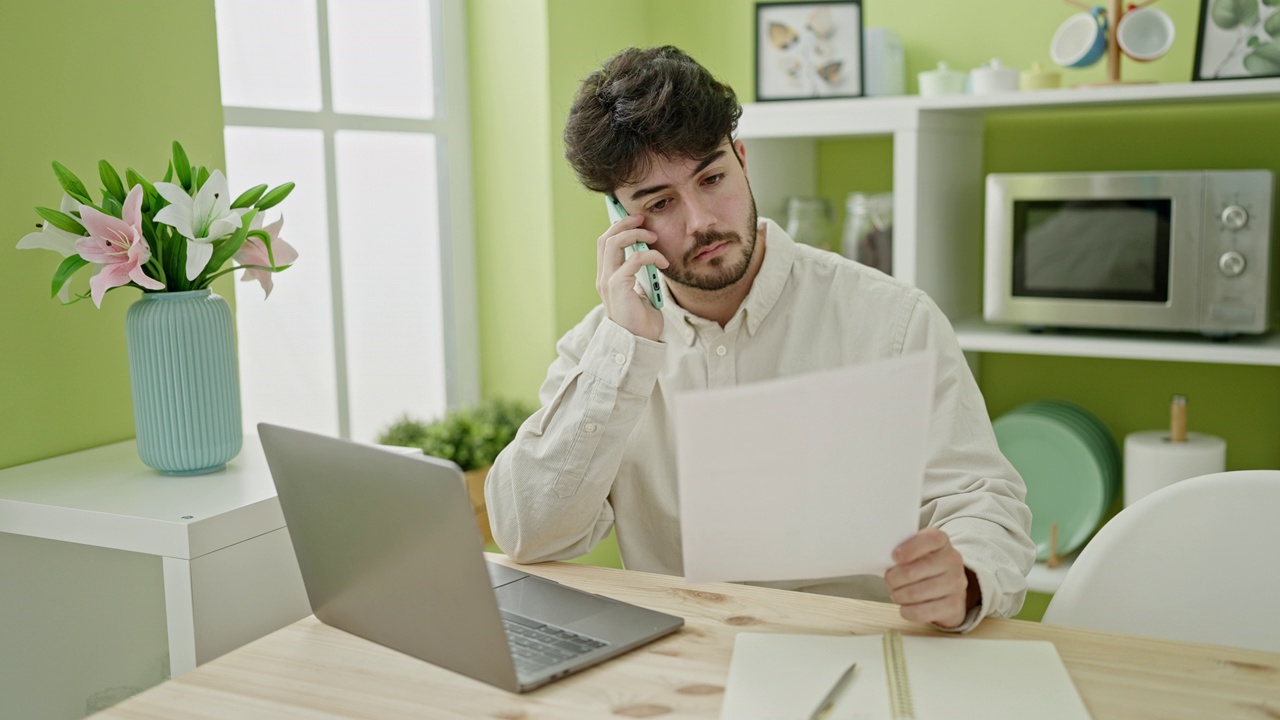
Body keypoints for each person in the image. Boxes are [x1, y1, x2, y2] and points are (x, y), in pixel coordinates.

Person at [486, 46, 1034, 631]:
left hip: (857, 655)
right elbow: (529, 535)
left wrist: (966, 576)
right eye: (661, 203)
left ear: (743, 162)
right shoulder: (603, 348)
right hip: (680, 669)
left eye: (712, 178)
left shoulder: (894, 320)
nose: (700, 221)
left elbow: (984, 500)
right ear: (619, 219)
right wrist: (625, 352)